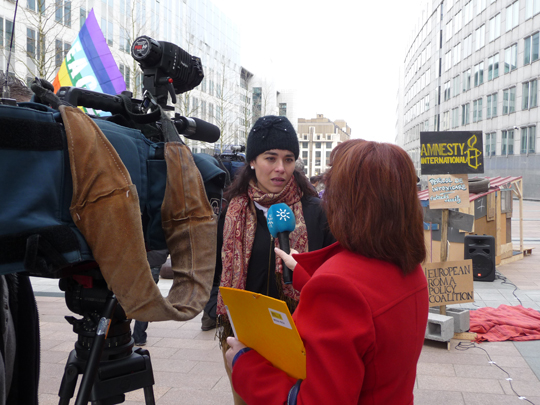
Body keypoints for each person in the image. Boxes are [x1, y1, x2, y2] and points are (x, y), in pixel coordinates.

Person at [225, 139, 429, 405]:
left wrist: (244, 363)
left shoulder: (338, 286)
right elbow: (367, 311)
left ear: (348, 201)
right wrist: (304, 273)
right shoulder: (410, 269)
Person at [215, 115, 335, 405]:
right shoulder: (234, 209)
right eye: (271, 158)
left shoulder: (316, 211)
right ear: (253, 161)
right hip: (243, 331)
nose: (281, 168)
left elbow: (330, 273)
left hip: (297, 334)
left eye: (289, 159)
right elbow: (219, 266)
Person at [132, 249, 169, 346]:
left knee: (129, 297)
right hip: (154, 260)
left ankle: (124, 334)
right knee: (146, 300)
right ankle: (139, 336)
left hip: (135, 260)